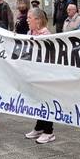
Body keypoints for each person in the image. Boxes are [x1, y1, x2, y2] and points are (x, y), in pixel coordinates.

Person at [23, 8, 56, 144]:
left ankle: (49, 131)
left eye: (29, 17)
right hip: (34, 73)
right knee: (38, 101)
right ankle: (39, 127)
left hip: (45, 74)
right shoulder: (30, 32)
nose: (27, 20)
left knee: (46, 101)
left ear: (37, 20)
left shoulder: (46, 35)